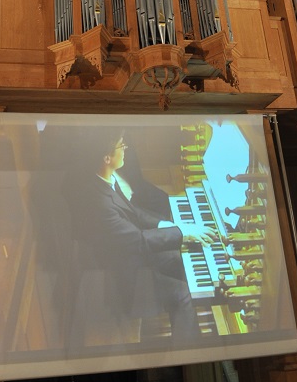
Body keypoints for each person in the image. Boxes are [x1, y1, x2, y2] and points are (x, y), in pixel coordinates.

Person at [69, 132, 216, 344]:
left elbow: (134, 212)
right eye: (121, 146)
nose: (125, 149)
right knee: (183, 295)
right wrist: (183, 233)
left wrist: (167, 225)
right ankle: (189, 352)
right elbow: (138, 241)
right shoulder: (100, 203)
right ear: (107, 158)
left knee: (180, 257)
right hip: (126, 280)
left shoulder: (105, 180)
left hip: (131, 259)